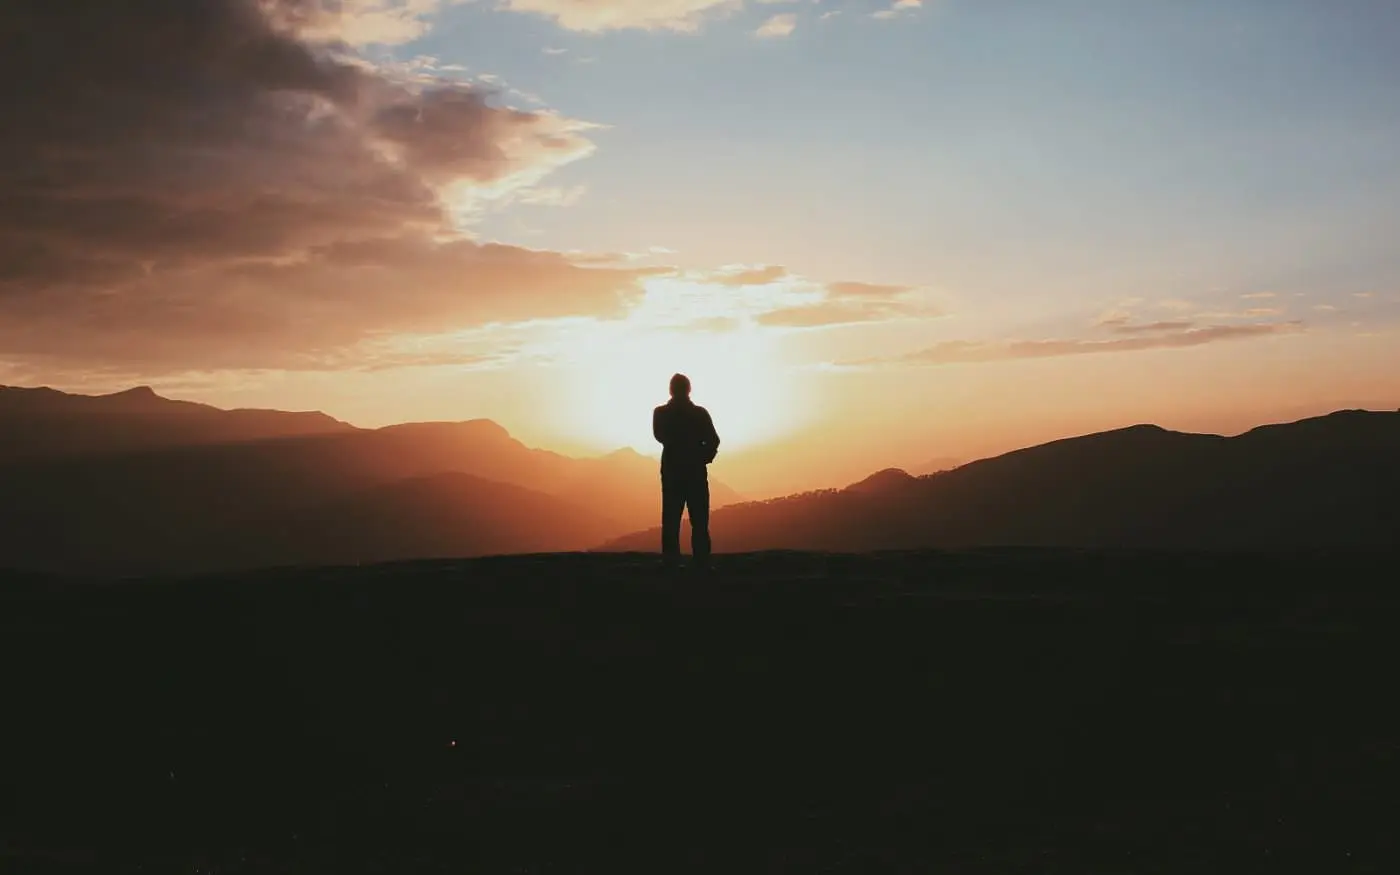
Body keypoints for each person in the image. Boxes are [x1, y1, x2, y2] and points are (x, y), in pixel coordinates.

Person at [652, 373, 721, 569]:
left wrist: (687, 449)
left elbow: (661, 436)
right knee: (699, 519)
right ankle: (701, 561)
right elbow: (713, 441)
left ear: (671, 390)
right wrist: (702, 456)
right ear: (689, 389)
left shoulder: (661, 413)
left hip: (674, 471)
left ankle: (671, 561)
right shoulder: (699, 413)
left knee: (672, 518)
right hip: (695, 472)